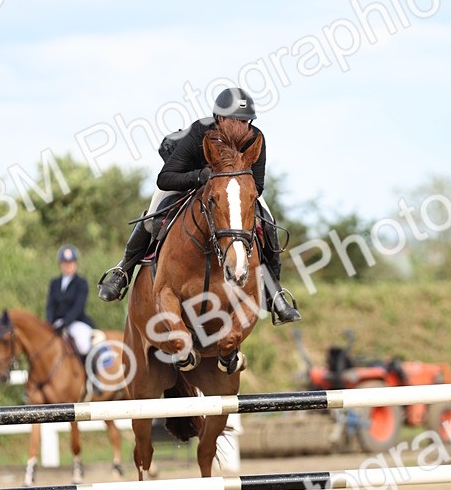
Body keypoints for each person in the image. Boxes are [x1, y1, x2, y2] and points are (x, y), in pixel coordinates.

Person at [97, 88, 301, 325]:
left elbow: (258, 185)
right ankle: (123, 272)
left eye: (246, 121)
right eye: (236, 120)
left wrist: (230, 185)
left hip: (231, 190)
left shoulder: (256, 138)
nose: (242, 126)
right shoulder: (199, 133)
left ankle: (274, 293)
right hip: (186, 179)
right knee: (152, 216)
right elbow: (165, 178)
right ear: (221, 118)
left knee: (268, 221)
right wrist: (201, 177)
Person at [46, 244, 96, 358]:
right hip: (56, 323)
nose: (68, 266)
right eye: (65, 263)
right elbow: (50, 305)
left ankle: (88, 372)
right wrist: (49, 322)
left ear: (75, 264)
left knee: (83, 345)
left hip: (75, 322)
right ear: (60, 264)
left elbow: (78, 307)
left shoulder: (81, 283)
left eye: (71, 263)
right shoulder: (55, 283)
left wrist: (64, 323)